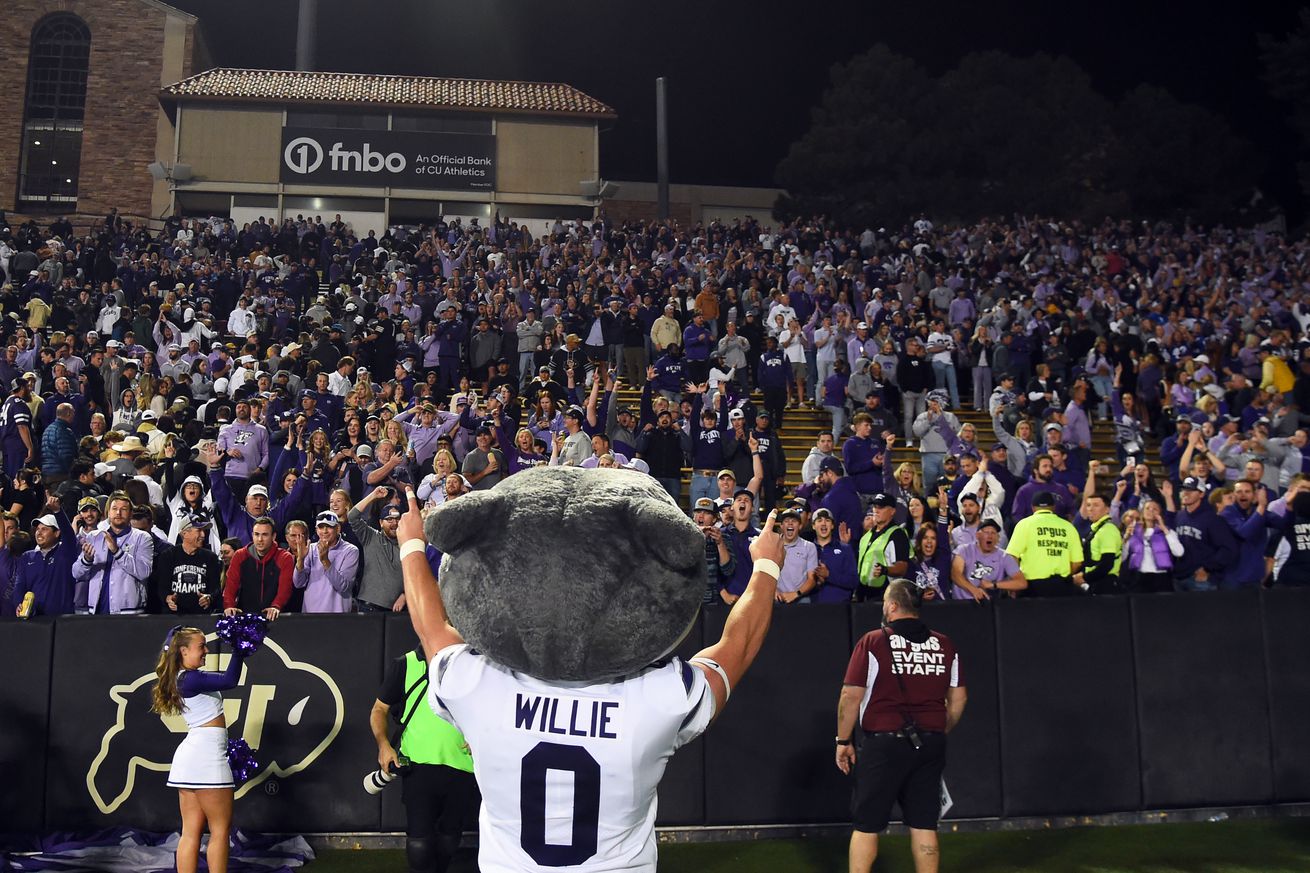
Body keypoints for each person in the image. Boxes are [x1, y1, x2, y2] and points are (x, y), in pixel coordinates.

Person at [400, 484, 787, 872]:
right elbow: (737, 646)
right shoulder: (660, 697)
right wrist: (767, 567)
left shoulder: (479, 685)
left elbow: (433, 629)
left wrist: (412, 546)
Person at [836, 578, 967, 873]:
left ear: (893, 605)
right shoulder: (945, 644)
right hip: (930, 742)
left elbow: (850, 695)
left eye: (885, 600)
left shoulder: (873, 641)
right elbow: (958, 698)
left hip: (884, 744)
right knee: (924, 822)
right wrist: (939, 728)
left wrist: (843, 741)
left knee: (867, 824)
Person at [372, 644, 479, 873]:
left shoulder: (474, 665)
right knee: (419, 841)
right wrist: (384, 745)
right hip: (418, 767)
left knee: (450, 836)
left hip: (463, 765)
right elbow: (379, 709)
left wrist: (482, 734)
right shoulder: (405, 664)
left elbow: (492, 707)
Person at [153, 626, 249, 873]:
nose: (206, 651)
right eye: (201, 647)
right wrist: (239, 650)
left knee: (190, 832)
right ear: (183, 651)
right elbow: (229, 680)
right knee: (220, 830)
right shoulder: (191, 678)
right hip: (207, 757)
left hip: (191, 758)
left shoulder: (183, 677)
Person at [73, 491, 156, 614]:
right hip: (97, 610)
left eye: (124, 509)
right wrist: (87, 560)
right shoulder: (94, 536)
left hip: (129, 612)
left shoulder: (142, 538)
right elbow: (76, 573)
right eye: (115, 509)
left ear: (131, 513)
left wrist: (117, 552)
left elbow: (144, 572)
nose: (118, 513)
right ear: (108, 513)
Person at [1005, 491, 1085, 596]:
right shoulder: (1068, 527)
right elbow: (1077, 562)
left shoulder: (1025, 524)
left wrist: (1017, 579)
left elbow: (1011, 556)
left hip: (1032, 586)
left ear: (1033, 508)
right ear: (1053, 508)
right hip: (1062, 586)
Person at [10, 504, 78, 616]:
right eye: (38, 529)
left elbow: (69, 535)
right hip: (34, 620)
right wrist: (18, 603)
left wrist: (58, 511)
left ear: (57, 533)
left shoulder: (65, 552)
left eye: (44, 529)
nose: (39, 532)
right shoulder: (27, 557)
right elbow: (19, 586)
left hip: (62, 620)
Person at [221, 517, 292, 621]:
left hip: (274, 619)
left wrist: (276, 606)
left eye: (265, 535)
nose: (260, 539)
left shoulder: (284, 557)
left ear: (273, 536)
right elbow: (231, 585)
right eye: (256, 534)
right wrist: (229, 606)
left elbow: (285, 589)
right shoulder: (240, 555)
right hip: (244, 618)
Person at [292, 510, 361, 613]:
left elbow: (343, 586)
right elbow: (298, 583)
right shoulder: (310, 549)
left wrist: (325, 561)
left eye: (329, 527)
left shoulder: (350, 551)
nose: (324, 531)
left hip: (337, 616)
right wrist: (300, 559)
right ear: (316, 530)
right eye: (321, 527)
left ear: (338, 529)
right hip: (311, 615)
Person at [157, 511, 224, 615]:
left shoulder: (211, 558)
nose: (203, 535)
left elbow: (216, 588)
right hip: (174, 617)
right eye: (199, 530)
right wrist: (168, 598)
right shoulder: (168, 556)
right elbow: (161, 586)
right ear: (184, 533)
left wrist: (210, 597)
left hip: (201, 617)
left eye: (204, 531)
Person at [857, 493, 911, 600]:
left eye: (881, 507)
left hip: (885, 595)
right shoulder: (866, 536)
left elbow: (902, 567)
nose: (876, 510)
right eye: (875, 507)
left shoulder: (898, 535)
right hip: (863, 594)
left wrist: (885, 570)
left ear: (892, 511)